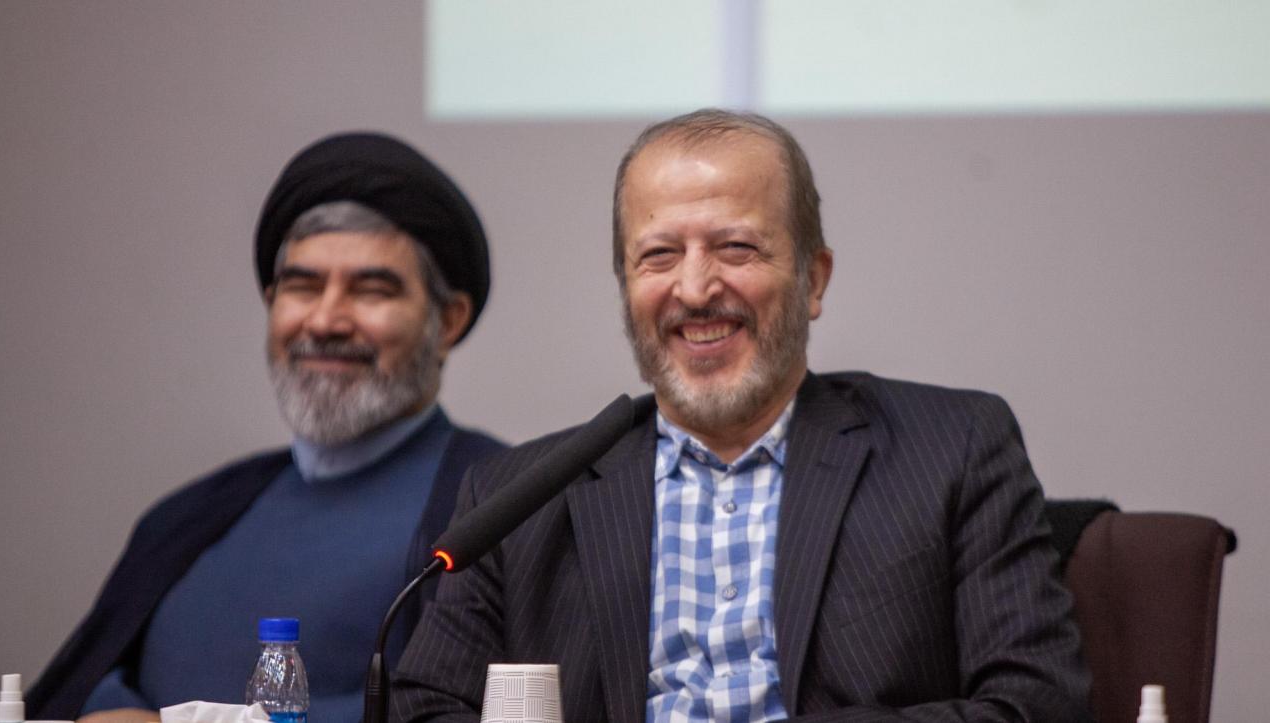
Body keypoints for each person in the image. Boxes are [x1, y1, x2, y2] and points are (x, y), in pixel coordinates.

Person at [390, 110, 1092, 722]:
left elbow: (1038, 704)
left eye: (737, 248)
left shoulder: (952, 449)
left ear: (813, 279)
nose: (696, 288)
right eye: (659, 255)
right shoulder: (518, 500)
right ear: (626, 288)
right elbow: (423, 707)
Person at [26, 133, 505, 723]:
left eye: (371, 290)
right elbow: (93, 680)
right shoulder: (188, 517)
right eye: (303, 287)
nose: (325, 320)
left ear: (448, 321)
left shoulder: (499, 510)